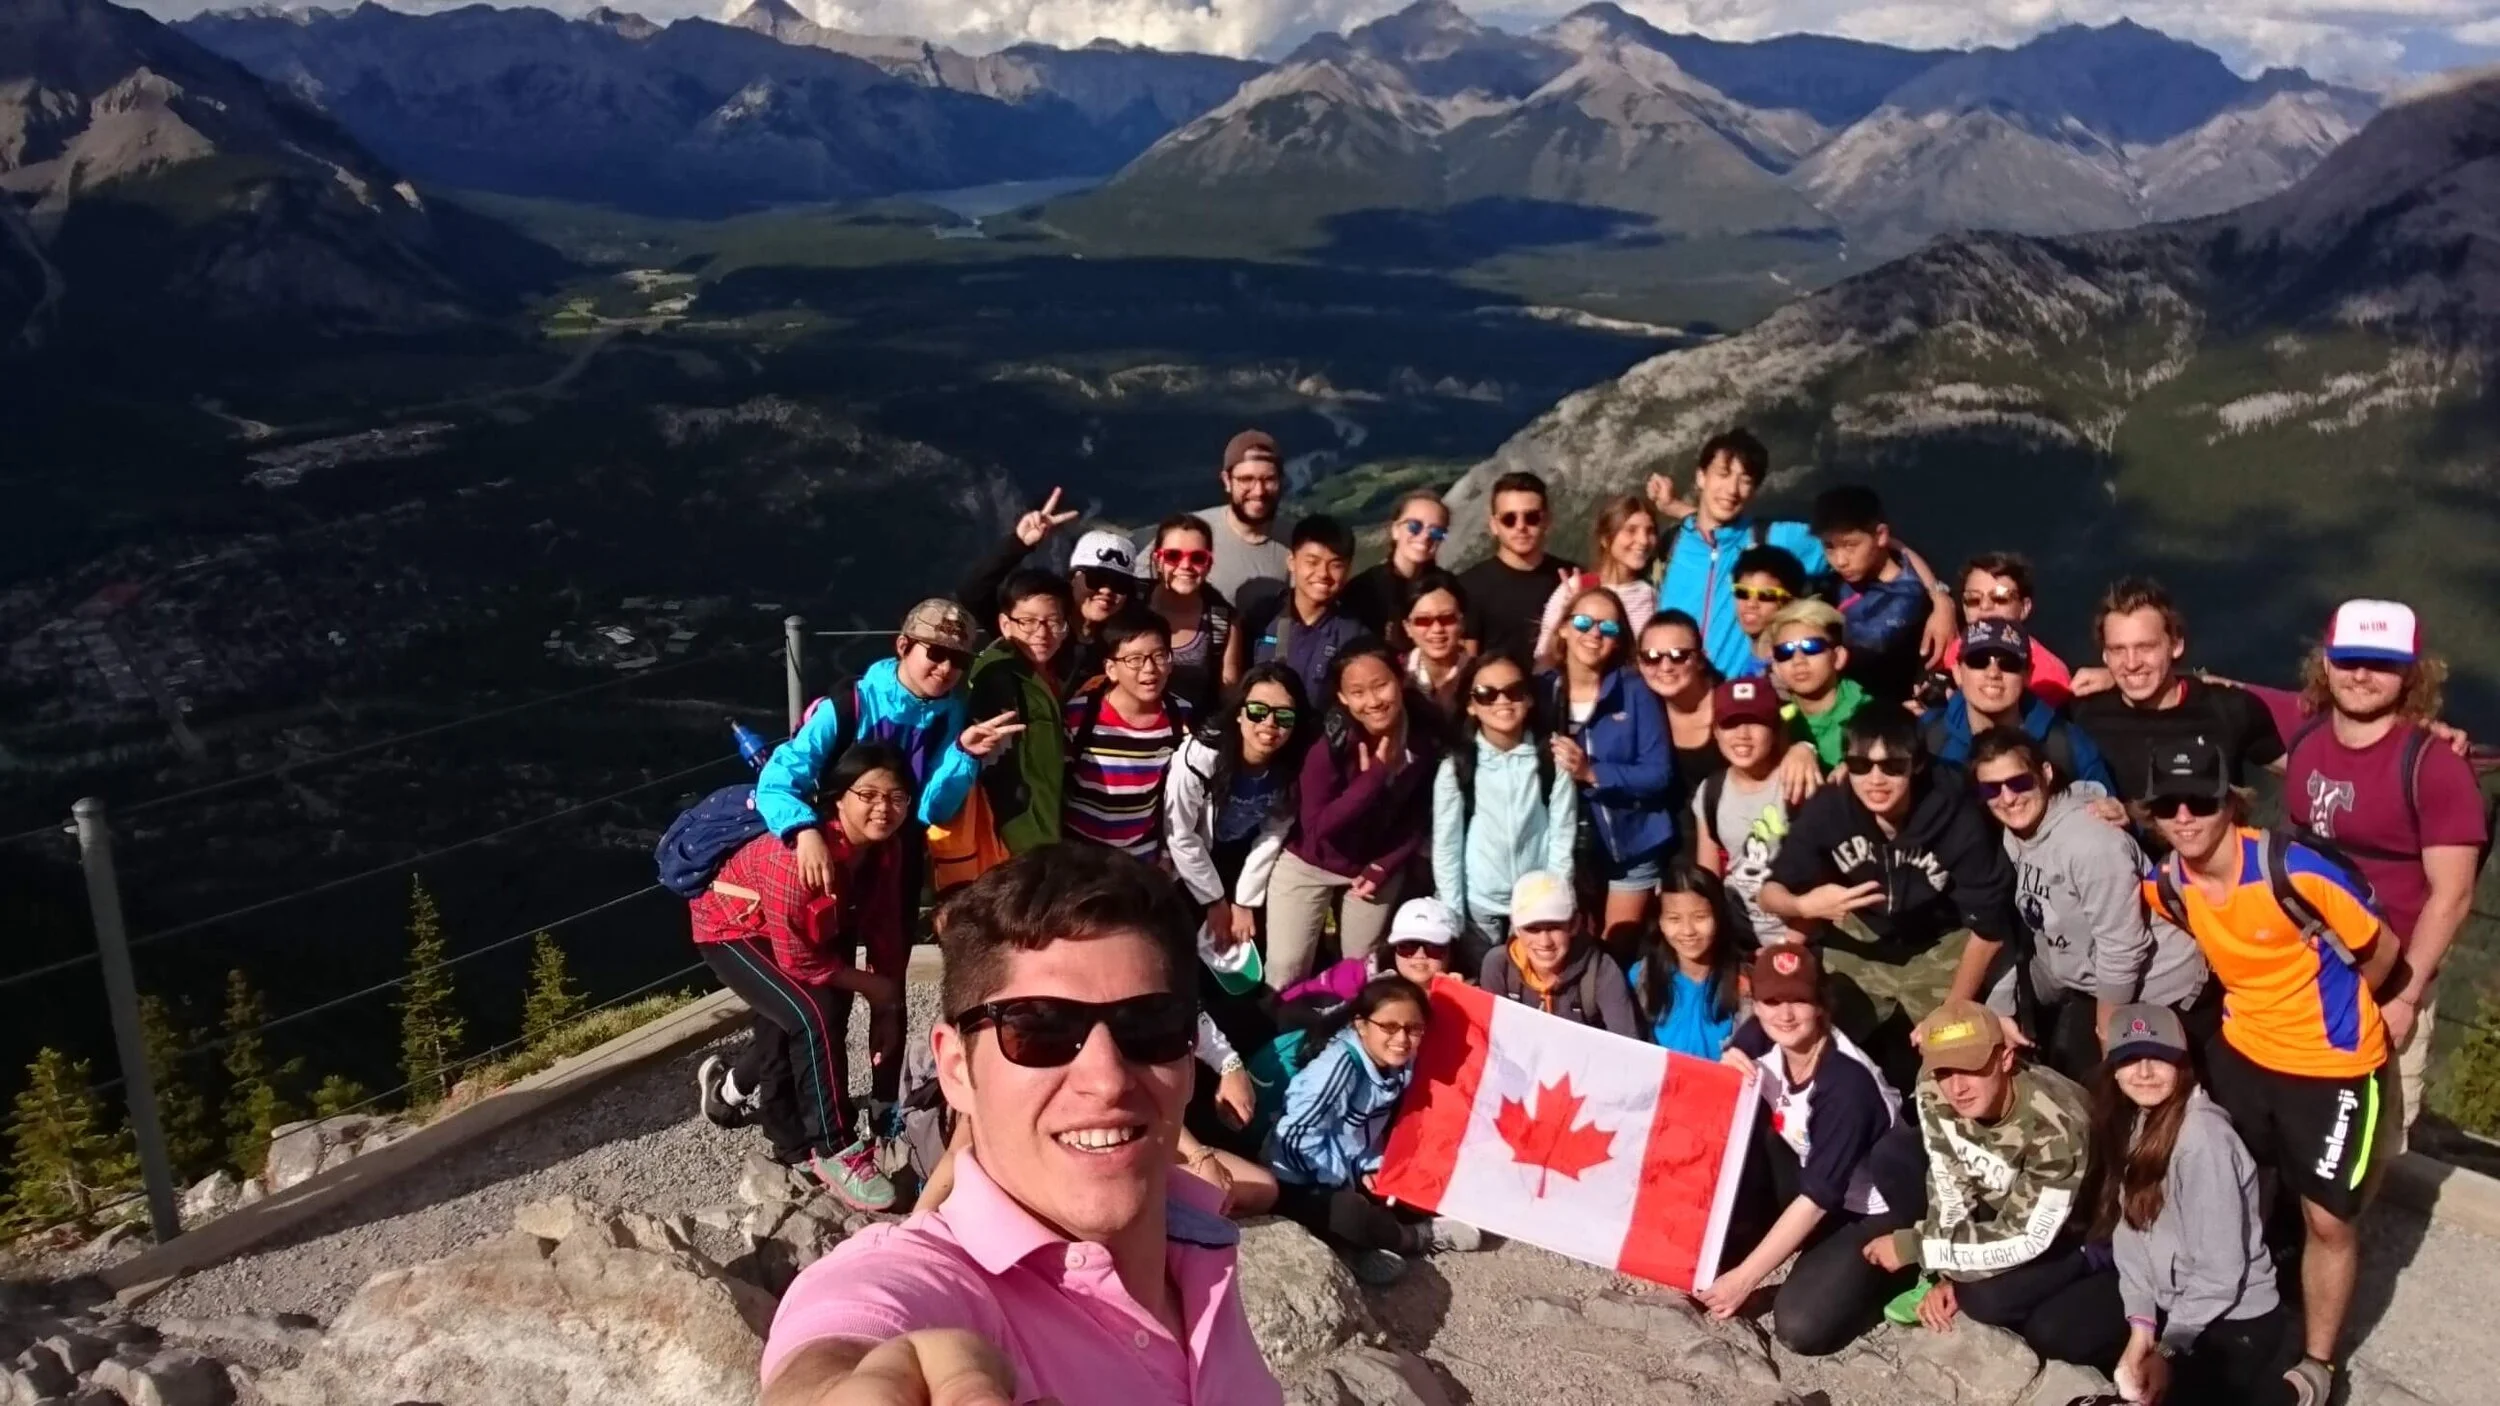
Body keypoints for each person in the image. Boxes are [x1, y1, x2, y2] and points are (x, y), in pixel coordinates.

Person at [760, 845, 1284, 1406]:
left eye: (1148, 1026)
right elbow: (840, 1343)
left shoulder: (1198, 1235)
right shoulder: (925, 1282)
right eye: (1039, 1030)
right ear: (957, 1069)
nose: (1106, 1080)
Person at [2138, 740, 2400, 1405]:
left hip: (2333, 1065)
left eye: (2200, 800)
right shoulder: (2170, 882)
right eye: (2168, 805)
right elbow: (2150, 911)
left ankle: (2315, 1364)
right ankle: (2228, 1313)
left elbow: (2381, 949)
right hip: (2245, 1054)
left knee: (2329, 1222)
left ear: (2230, 800)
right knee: (2227, 1189)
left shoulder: (2293, 869)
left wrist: (2335, 1010)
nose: (2185, 816)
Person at [2275, 600, 2489, 1150]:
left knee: (2371, 1139)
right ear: (2326, 664)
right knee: (2294, 1121)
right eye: (2349, 660)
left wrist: (2405, 996)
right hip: (2301, 970)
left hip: (2387, 976)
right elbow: (2214, 697)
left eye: (2381, 663)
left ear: (2410, 672)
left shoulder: (2435, 765)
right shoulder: (2306, 739)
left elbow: (2453, 895)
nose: (2362, 675)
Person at [695, 746, 917, 1212]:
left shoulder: (882, 849)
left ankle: (747, 1108)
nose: (884, 808)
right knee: (810, 1013)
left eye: (897, 797)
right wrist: (874, 986)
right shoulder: (796, 859)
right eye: (869, 795)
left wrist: (887, 996)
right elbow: (799, 962)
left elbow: (881, 923)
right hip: (730, 928)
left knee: (803, 1016)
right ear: (840, 799)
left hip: (790, 927)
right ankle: (834, 1147)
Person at [1863, 998, 2123, 1373]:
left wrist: (1919, 1247)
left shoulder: (2058, 1125)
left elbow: (2026, 1236)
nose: (1957, 1087)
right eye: (1944, 1070)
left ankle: (2075, 1274)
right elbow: (1947, 1176)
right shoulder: (1932, 1086)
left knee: (1983, 1300)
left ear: (2005, 1058)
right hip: (2000, 1195)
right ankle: (1947, 1280)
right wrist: (1945, 1267)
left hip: (2066, 1227)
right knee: (1893, 1158)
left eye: (1972, 1067)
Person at [1761, 712, 2025, 1048]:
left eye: (1892, 766)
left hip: (1942, 943)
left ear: (1916, 765)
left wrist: (1952, 1011)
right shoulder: (1831, 807)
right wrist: (1803, 904)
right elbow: (1769, 893)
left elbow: (1988, 929)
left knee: (1954, 1052)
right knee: (1808, 1040)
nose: (1876, 779)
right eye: (1860, 765)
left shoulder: (1956, 811)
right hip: (1860, 939)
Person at [1969, 727, 2209, 1084]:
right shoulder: (2017, 834)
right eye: (1992, 789)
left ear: (2046, 774)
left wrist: (2107, 1038)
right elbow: (2047, 936)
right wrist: (1998, 1007)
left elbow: (2123, 950)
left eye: (2019, 782)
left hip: (2158, 990)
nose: (2008, 798)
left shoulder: (2091, 845)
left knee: (2103, 1092)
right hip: (2087, 980)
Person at [1703, 945, 1910, 1355]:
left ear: (1821, 1004)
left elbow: (1817, 1198)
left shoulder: (1847, 1086)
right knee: (1708, 1252)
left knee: (1801, 1327)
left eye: (1799, 999)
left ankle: (1898, 1272)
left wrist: (1745, 1279)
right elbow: (1749, 1041)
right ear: (1755, 1004)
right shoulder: (1763, 1035)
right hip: (1811, 1171)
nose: (1784, 1014)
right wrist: (1728, 1060)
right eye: (1772, 1001)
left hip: (1870, 1207)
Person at [2090, 1004, 2296, 1406]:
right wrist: (2141, 1328)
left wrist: (2168, 1349)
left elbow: (2221, 1273)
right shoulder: (2138, 1121)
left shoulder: (2203, 1141)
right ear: (2113, 1069)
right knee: (2068, 1334)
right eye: (2130, 1059)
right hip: (2178, 1307)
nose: (2145, 1072)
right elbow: (2130, 1234)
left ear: (2182, 1063)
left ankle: (2283, 1393)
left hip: (2235, 1319)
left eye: (2158, 1058)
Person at [758, 598, 1021, 892]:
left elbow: (932, 811)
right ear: (902, 646)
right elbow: (777, 782)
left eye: (959, 660)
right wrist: (804, 830)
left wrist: (964, 754)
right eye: (936, 652)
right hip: (832, 851)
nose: (946, 668)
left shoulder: (952, 717)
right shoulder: (848, 707)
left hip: (898, 859)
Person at [1647, 429, 1956, 680]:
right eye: (1723, 474)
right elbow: (1708, 534)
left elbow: (1872, 541)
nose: (1732, 489)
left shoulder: (1776, 538)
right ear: (1701, 477)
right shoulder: (1673, 543)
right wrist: (1675, 507)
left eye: (1745, 481)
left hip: (1742, 702)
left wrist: (1939, 597)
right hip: (1671, 693)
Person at [1266, 974, 1483, 1285]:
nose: (1402, 1038)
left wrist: (1370, 1164)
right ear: (1361, 1025)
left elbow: (1361, 1132)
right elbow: (1294, 1139)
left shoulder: (1395, 1064)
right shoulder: (1337, 1068)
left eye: (1413, 1028)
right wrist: (1345, 1179)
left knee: (1406, 1184)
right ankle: (1416, 1238)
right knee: (1348, 1213)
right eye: (1389, 1027)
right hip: (1299, 1179)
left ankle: (1355, 1249)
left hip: (1346, 1169)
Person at [1265, 639, 1443, 989]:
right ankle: (1283, 1034)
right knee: (1285, 970)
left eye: (1381, 686)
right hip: (1310, 862)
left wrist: (1385, 865)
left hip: (1373, 865)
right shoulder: (1330, 744)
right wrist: (1375, 774)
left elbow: (1419, 813)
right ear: (1343, 698)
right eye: (1358, 692)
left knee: (1360, 971)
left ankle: (1350, 1031)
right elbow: (1318, 829)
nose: (1374, 701)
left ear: (1401, 679)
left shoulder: (1422, 739)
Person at [1540, 586, 1677, 947]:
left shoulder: (1636, 691)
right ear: (1564, 629)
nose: (1595, 633)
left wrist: (1592, 772)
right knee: (1568, 952)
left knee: (1616, 950)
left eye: (1609, 628)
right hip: (1561, 849)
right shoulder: (1540, 692)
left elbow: (1658, 773)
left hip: (1631, 844)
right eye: (1584, 622)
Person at [2070, 577, 2284, 808]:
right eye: (2118, 650)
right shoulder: (2082, 714)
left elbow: (2298, 771)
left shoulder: (2230, 709)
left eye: (2146, 647)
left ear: (2176, 645)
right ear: (2104, 655)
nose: (2131, 663)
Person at [1433, 651, 1577, 973]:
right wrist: (1453, 917)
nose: (1502, 701)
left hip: (1535, 911)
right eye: (1486, 694)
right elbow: (1447, 847)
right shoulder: (1457, 766)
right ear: (1470, 705)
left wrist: (1551, 903)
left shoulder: (1552, 758)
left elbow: (1562, 836)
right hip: (1480, 909)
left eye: (1514, 691)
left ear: (1529, 699)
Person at [1165, 664, 1308, 971]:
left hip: (1245, 858)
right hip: (1192, 856)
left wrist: (1244, 901)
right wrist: (1214, 900)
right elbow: (1180, 832)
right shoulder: (1202, 756)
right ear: (1239, 712)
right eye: (1258, 711)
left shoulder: (1294, 765)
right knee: (1185, 943)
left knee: (1246, 943)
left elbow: (1273, 832)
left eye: (1284, 716)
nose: (1269, 724)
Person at [939, 569, 1075, 888]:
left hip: (1043, 834)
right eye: (1028, 621)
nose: (1042, 632)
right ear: (1005, 623)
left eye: (1052, 621)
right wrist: (1024, 846)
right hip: (1020, 841)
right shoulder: (998, 678)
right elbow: (1000, 771)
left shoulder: (1044, 671)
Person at [1921, 620, 2117, 796]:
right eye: (1978, 661)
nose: (1993, 673)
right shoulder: (1927, 735)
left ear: (2028, 675)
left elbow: (2110, 826)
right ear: (1957, 671)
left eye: (2009, 664)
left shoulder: (2067, 745)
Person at [1063, 608, 1191, 863]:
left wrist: (1166, 855)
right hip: (1080, 856)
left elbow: (1177, 795)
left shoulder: (1181, 716)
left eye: (1159, 656)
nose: (1149, 669)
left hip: (1143, 856)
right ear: (1111, 668)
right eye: (1134, 659)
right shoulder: (1081, 715)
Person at [1693, 677, 1803, 948]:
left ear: (1775, 728)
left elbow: (1821, 875)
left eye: (1756, 721)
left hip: (1795, 935)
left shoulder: (1797, 783)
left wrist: (1790, 944)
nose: (1742, 733)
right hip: (1737, 934)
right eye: (1729, 723)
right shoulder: (1711, 790)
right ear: (1716, 731)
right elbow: (1708, 877)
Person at [1480, 870, 1643, 1038]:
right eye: (1532, 929)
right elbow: (1489, 1034)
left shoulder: (1602, 971)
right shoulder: (1498, 965)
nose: (1544, 942)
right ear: (1517, 929)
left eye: (1554, 927)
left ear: (1574, 924)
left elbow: (1628, 1045)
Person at [1811, 484, 1933, 705]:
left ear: (1880, 535)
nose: (1840, 561)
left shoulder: (1912, 599)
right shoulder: (1830, 585)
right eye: (1829, 547)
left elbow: (1866, 647)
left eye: (1850, 545)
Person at [1232, 514, 1364, 704]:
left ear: (1348, 569)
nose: (1323, 574)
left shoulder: (1352, 636)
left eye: (1335, 565)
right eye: (1312, 562)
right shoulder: (1261, 616)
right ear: (1292, 562)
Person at [1460, 470, 1580, 664]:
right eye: (1509, 519)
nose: (1520, 526)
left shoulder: (1573, 579)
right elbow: (1467, 662)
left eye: (1531, 517)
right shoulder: (1468, 587)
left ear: (1546, 521)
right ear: (1494, 525)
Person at [1628, 865, 1746, 1058]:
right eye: (1674, 919)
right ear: (1660, 922)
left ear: (1719, 917)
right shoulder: (1641, 977)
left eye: (1700, 917)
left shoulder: (1743, 983)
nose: (1688, 931)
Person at [1635, 611, 1725, 853]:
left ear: (1700, 659)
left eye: (1679, 655)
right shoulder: (1640, 708)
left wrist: (1803, 749)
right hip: (1671, 840)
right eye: (1651, 657)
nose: (1665, 667)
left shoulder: (1732, 703)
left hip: (1736, 836)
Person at [1536, 495, 1661, 666]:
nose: (1644, 540)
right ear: (1605, 539)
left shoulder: (1651, 595)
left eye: (1650, 531)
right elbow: (1544, 658)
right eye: (1631, 530)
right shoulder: (1576, 588)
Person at [1279, 896, 1460, 1006]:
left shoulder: (1464, 992)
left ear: (1452, 951)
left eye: (1434, 947)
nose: (1420, 955)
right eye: (1408, 946)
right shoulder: (1357, 974)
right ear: (1393, 947)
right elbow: (1299, 997)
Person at [1952, 553, 2075, 708]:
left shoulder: (2051, 677)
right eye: (1973, 600)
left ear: (2024, 607)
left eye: (2000, 598)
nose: (1984, 607)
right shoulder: (1953, 648)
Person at [1195, 429, 1293, 617]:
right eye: (1246, 479)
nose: (1259, 491)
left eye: (1269, 479)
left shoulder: (1298, 542)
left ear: (1281, 480)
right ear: (1227, 481)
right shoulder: (1190, 533)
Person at [1149, 513, 1237, 714]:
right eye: (1173, 556)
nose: (1186, 566)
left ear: (1209, 563)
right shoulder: (1131, 605)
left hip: (1190, 738)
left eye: (1198, 557)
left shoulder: (1222, 622)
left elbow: (1228, 697)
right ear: (1157, 559)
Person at [1767, 599, 1869, 770]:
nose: (1798, 660)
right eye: (1785, 652)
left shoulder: (1869, 715)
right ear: (1776, 667)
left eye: (1811, 647)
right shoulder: (1771, 721)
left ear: (1838, 657)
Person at [1345, 490, 1450, 634]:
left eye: (1436, 531)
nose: (1425, 536)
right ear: (1395, 530)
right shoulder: (1363, 590)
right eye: (1415, 526)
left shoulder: (1449, 587)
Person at [1397, 568, 1473, 719]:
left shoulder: (1481, 675)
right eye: (1423, 621)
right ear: (1407, 627)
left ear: (1462, 622)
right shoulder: (1396, 677)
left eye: (1447, 619)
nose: (1437, 629)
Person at [1726, 543, 1808, 681]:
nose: (1751, 604)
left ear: (1792, 600)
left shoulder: (1792, 665)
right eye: (1742, 592)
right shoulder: (1753, 658)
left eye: (1767, 595)